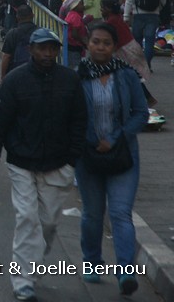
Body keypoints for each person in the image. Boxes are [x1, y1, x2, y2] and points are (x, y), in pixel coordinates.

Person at [0, 27, 87, 302]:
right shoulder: (15, 82)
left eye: (52, 48)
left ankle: (33, 264)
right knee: (27, 218)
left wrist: (72, 159)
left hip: (57, 164)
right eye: (42, 48)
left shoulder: (69, 81)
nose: (47, 54)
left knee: (48, 223)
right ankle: (23, 281)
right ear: (31, 50)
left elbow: (79, 121)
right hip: (22, 164)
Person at [74, 21, 148, 295]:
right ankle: (91, 261)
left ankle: (126, 272)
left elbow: (141, 113)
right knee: (93, 214)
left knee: (120, 213)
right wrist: (92, 142)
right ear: (87, 44)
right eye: (96, 42)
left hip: (123, 156)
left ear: (114, 47)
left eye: (106, 43)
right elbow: (72, 115)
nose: (101, 47)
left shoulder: (127, 75)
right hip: (88, 157)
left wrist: (115, 139)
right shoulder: (77, 75)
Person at [123, 0, 165, 69]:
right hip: (153, 16)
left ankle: (138, 64)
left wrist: (126, 17)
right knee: (150, 41)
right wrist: (156, 9)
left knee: (137, 41)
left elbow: (129, 1)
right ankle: (147, 64)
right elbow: (163, 1)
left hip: (138, 16)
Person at [0, 5, 37, 82]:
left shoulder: (12, 34)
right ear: (33, 16)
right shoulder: (39, 33)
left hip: (15, 73)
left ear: (17, 17)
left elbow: (6, 56)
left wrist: (2, 77)